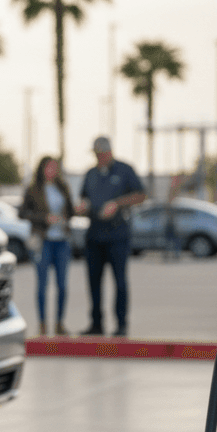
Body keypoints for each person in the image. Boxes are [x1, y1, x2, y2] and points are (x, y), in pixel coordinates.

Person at [76, 136, 146, 336]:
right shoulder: (90, 174)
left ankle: (121, 324)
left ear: (109, 152)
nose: (99, 158)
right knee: (94, 282)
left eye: (102, 154)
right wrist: (83, 205)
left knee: (120, 281)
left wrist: (117, 203)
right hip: (94, 236)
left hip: (117, 236)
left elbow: (140, 195)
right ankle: (96, 324)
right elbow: (84, 197)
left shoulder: (125, 170)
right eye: (96, 154)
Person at [20, 156, 73, 335]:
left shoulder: (63, 187)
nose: (52, 170)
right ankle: (42, 323)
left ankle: (59, 322)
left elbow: (71, 211)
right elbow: (23, 213)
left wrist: (70, 215)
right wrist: (44, 218)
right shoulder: (33, 189)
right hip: (43, 241)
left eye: (54, 167)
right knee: (42, 284)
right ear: (42, 168)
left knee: (62, 284)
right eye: (49, 167)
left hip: (62, 240)